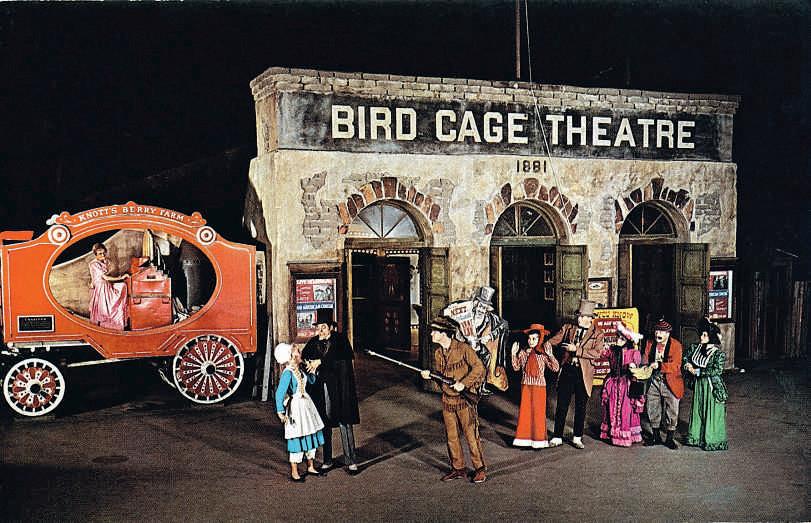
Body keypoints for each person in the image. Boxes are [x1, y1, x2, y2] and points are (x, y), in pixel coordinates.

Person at [421, 316, 487, 483]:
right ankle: (458, 468)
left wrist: (464, 384)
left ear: (444, 333)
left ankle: (480, 469)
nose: (432, 334)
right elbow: (442, 378)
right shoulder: (438, 353)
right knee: (451, 437)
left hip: (464, 400)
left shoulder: (463, 348)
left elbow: (479, 368)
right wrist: (431, 376)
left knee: (471, 435)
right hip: (447, 400)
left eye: (435, 331)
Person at [302, 308, 361, 474]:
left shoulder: (340, 340)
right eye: (318, 327)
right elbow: (305, 358)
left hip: (340, 389)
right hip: (323, 389)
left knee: (344, 422)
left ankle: (351, 460)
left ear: (331, 328)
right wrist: (310, 365)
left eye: (324, 327)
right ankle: (327, 460)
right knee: (325, 422)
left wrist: (320, 362)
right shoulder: (314, 342)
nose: (320, 331)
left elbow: (340, 360)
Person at [545, 298, 605, 449]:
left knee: (581, 406)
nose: (579, 319)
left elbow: (597, 353)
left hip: (583, 373)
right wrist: (542, 344)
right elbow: (554, 340)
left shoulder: (598, 333)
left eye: (583, 316)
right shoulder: (568, 328)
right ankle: (557, 436)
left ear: (590, 318)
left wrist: (577, 350)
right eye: (579, 315)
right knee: (562, 404)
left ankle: (577, 437)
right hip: (568, 370)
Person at [274, 343, 325, 482]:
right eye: (297, 351)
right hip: (296, 407)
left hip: (306, 405)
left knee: (309, 433)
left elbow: (311, 381)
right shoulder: (288, 373)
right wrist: (280, 411)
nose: (299, 353)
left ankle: (310, 466)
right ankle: (294, 471)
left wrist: (311, 370)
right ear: (291, 356)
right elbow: (279, 393)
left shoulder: (299, 369)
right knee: (297, 436)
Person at [511, 323, 559, 448]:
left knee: (538, 412)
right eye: (529, 338)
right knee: (525, 412)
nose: (530, 341)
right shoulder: (523, 353)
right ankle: (524, 439)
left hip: (539, 387)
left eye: (534, 339)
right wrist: (513, 354)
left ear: (540, 339)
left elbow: (555, 368)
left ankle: (538, 440)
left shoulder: (543, 354)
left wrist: (550, 355)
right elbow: (516, 368)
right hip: (526, 386)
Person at [683, 318, 728, 451]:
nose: (701, 337)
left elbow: (716, 370)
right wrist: (687, 365)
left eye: (704, 335)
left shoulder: (718, 354)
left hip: (711, 386)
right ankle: (697, 437)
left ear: (711, 337)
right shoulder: (695, 348)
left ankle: (712, 439)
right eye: (701, 334)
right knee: (699, 409)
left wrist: (697, 371)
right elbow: (685, 357)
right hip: (699, 385)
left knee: (711, 410)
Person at [641, 318, 685, 449]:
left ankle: (670, 438)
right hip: (654, 380)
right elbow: (645, 357)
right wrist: (644, 365)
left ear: (668, 333)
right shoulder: (650, 342)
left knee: (672, 409)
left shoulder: (676, 345)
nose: (657, 334)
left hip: (670, 381)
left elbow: (676, 365)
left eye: (661, 332)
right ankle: (656, 436)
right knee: (652, 406)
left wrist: (660, 366)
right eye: (656, 331)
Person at [600, 322, 645, 447]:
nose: (619, 340)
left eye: (622, 338)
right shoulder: (612, 351)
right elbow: (603, 353)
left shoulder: (633, 352)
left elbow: (636, 366)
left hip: (626, 384)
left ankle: (624, 435)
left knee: (625, 409)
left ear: (627, 341)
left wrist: (632, 366)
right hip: (613, 382)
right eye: (618, 337)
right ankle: (612, 434)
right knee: (611, 408)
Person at [88, 243, 130, 330]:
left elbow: (106, 275)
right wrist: (121, 277)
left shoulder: (105, 261)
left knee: (122, 286)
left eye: (104, 253)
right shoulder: (94, 264)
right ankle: (105, 327)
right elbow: (105, 277)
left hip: (105, 284)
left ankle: (114, 326)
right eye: (100, 254)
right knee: (105, 308)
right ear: (95, 254)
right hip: (101, 288)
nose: (103, 255)